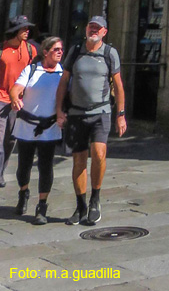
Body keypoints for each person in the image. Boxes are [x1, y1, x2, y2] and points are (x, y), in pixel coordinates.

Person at [55, 16, 126, 226]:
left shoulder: (109, 53)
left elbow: (119, 86)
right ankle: (80, 206)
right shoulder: (76, 51)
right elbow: (63, 82)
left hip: (101, 112)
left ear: (104, 32)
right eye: (91, 27)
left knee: (98, 154)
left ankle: (96, 199)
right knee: (78, 160)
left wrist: (120, 115)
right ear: (86, 29)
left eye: (98, 28)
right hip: (77, 113)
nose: (93, 31)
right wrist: (59, 110)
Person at [10, 37, 64, 224]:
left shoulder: (62, 73)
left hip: (49, 127)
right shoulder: (32, 69)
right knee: (23, 166)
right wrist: (15, 98)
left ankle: (42, 205)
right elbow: (15, 88)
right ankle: (23, 192)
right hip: (26, 126)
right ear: (46, 51)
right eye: (56, 49)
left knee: (45, 166)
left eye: (61, 49)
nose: (60, 52)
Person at [0, 15, 38, 188]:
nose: (27, 31)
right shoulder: (2, 50)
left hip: (20, 102)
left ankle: (1, 171)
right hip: (1, 99)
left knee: (10, 141)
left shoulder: (31, 50)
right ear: (16, 31)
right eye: (24, 28)